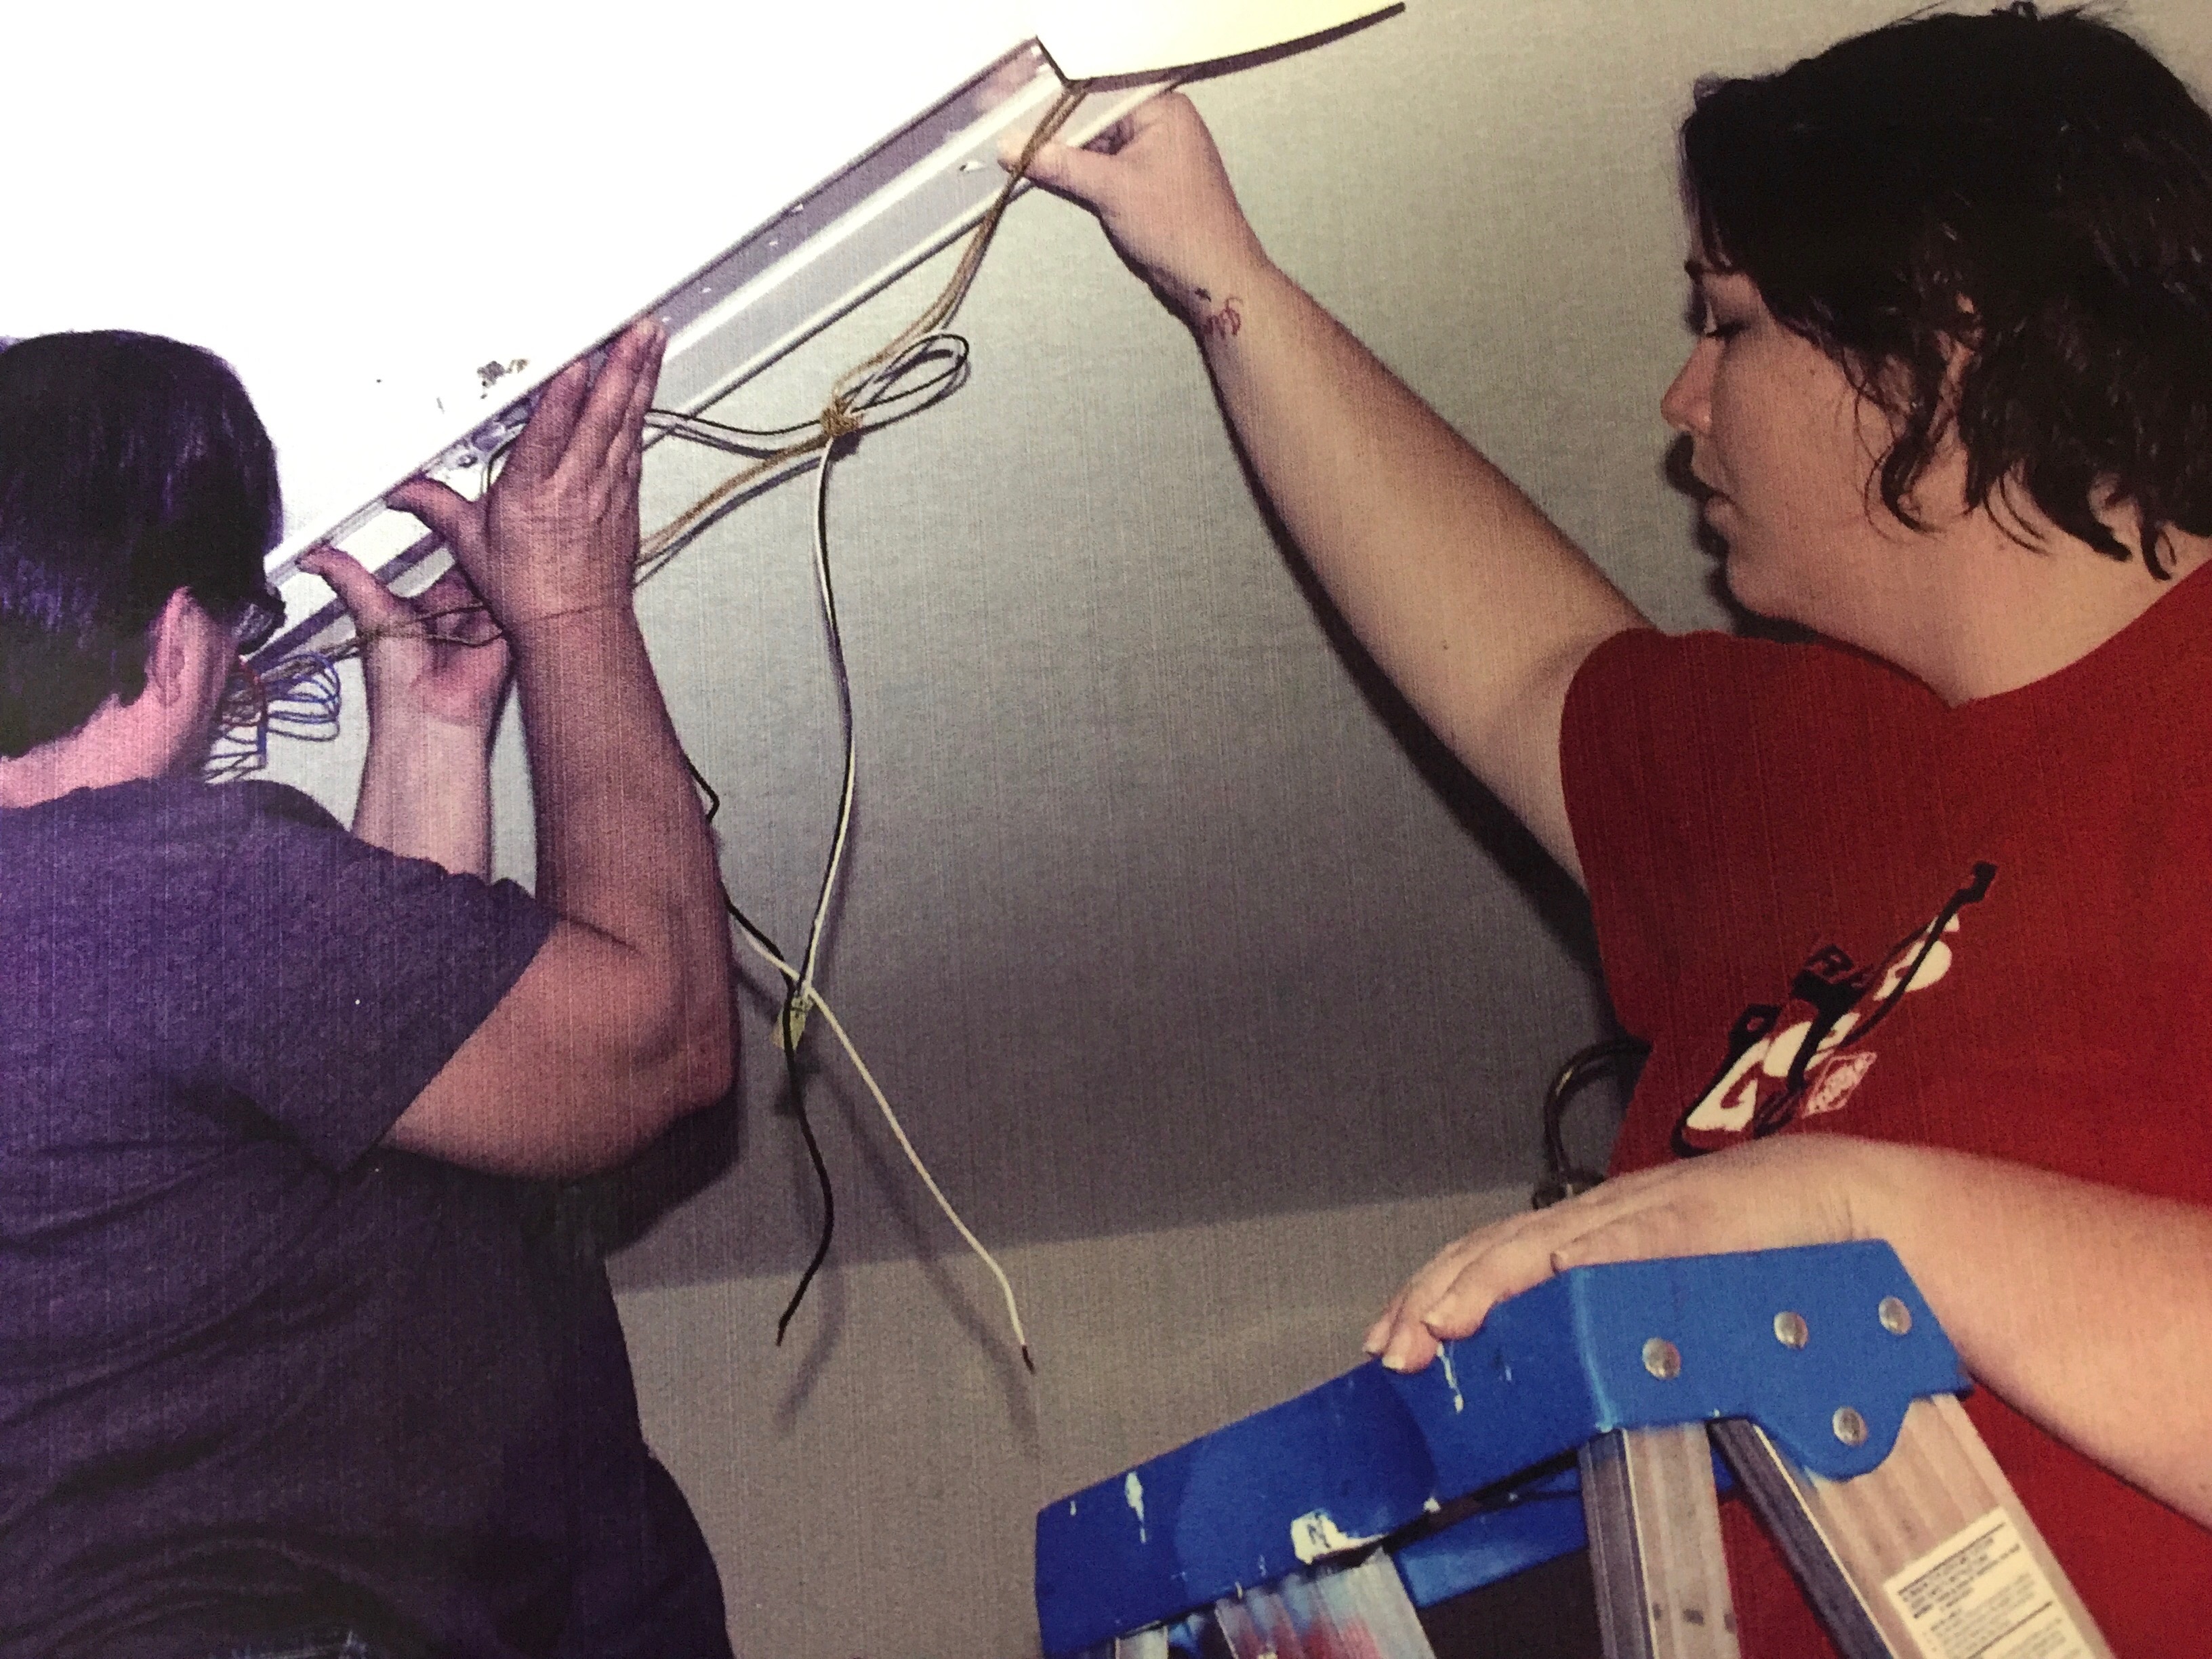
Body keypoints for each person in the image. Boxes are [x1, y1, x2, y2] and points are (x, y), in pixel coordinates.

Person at [1020, 3, 2212, 1650]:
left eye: (1729, 323)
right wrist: (1224, 273)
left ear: (1946, 328)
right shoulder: (1820, 758)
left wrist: (1855, 1211)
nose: (1681, 397)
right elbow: (1523, 665)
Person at [0, 322, 737, 1657]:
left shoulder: (86, 945)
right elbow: (657, 1045)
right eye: (242, 628)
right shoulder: (169, 896)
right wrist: (573, 604)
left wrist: (435, 731)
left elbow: (360, 1128)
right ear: (176, 644)